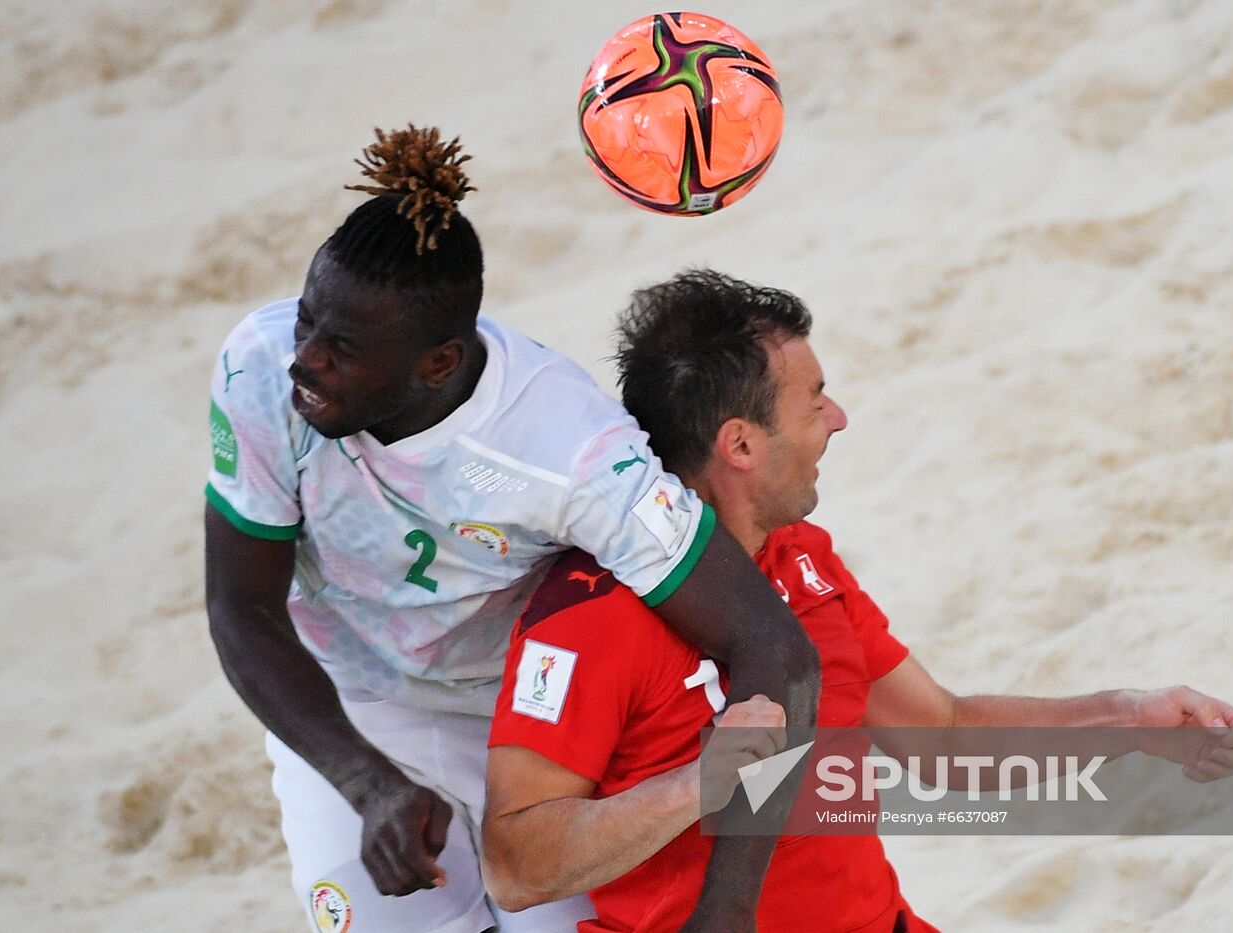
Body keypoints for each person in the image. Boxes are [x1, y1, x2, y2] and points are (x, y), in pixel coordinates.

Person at [480, 270, 1233, 931]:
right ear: (742, 444)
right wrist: (696, 783)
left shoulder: (802, 561)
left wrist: (1133, 719)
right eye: (814, 400)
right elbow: (516, 866)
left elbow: (945, 734)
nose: (838, 418)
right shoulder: (591, 613)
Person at [203, 129, 820, 933]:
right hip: (344, 706)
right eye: (308, 322)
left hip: (528, 737)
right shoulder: (258, 368)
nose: (304, 361)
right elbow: (238, 608)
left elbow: (777, 650)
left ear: (439, 363)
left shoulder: (570, 450)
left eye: (340, 349)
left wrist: (726, 909)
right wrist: (366, 780)